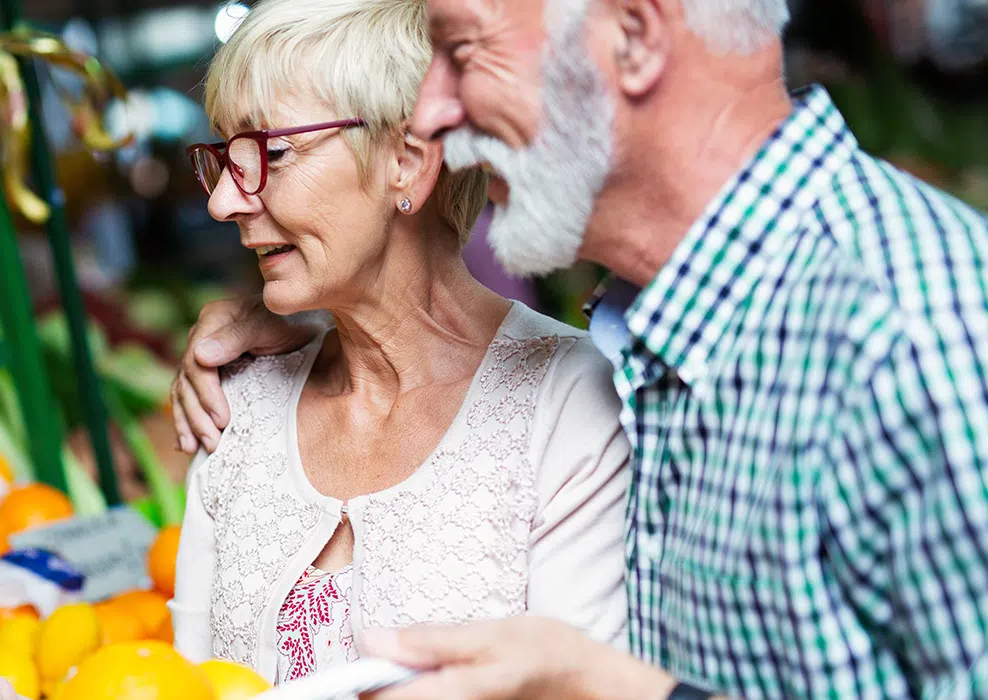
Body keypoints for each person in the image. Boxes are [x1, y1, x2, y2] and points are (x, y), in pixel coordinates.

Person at [0, 0, 632, 696]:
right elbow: (177, 686)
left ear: (407, 161)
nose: (226, 199)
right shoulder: (243, 408)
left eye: (268, 153)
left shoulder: (568, 408)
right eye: (224, 155)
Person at [174, 0, 988, 698]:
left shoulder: (917, 328)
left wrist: (626, 691)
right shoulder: (662, 343)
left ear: (633, 37)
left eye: (465, 52)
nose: (431, 117)